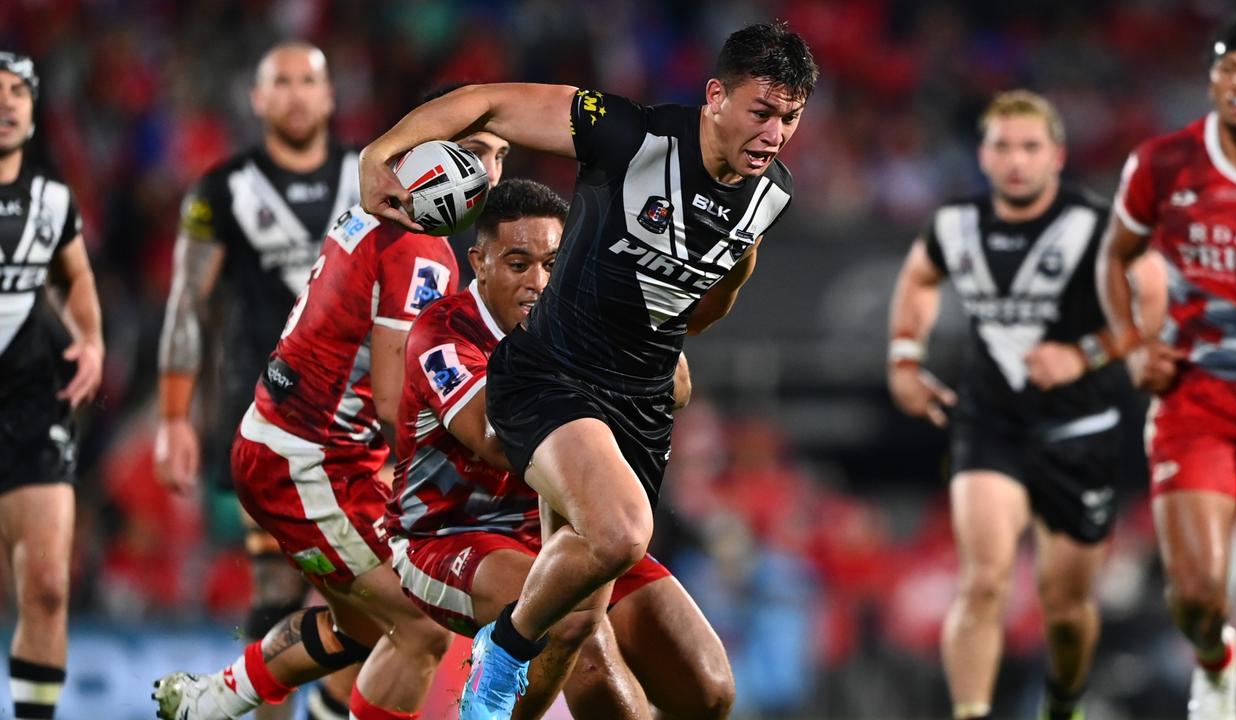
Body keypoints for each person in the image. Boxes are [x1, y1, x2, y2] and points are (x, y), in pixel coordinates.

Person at [359, 21, 817, 718]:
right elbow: (486, 101)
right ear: (716, 97)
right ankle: (500, 655)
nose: (774, 133)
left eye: (790, 117)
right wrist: (381, 153)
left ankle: (509, 683)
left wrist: (672, 335)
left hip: (637, 416)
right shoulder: (630, 136)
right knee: (621, 533)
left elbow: (722, 281)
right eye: (761, 112)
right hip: (551, 378)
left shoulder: (769, 196)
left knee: (703, 690)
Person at [387, 178, 731, 719]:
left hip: (570, 528)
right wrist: (595, 373)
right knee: (574, 626)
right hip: (452, 534)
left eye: (552, 263)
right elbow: (498, 441)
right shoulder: (444, 333)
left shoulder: (587, 309)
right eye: (518, 264)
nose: (538, 283)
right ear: (479, 262)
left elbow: (679, 384)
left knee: (707, 690)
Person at [151, 145, 473, 718]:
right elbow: (396, 403)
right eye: (479, 154)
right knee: (422, 627)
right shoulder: (422, 248)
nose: (491, 172)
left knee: (362, 628)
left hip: (291, 444)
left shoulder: (365, 210)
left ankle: (214, 699)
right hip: (312, 462)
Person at [886, 90, 1161, 720]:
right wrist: (904, 356)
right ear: (982, 155)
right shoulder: (956, 225)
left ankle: (1063, 700)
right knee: (983, 581)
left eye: (1030, 147)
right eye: (1003, 146)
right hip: (991, 425)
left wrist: (1086, 353)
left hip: (1080, 429)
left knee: (1065, 610)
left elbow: (1153, 304)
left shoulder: (1096, 227)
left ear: (1057, 156)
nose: (1016, 160)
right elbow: (919, 278)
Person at [152, 41, 362, 720]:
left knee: (367, 591)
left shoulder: (371, 177)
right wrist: (175, 418)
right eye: (283, 82)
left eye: (310, 81)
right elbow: (187, 305)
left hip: (360, 418)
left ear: (331, 97)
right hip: (264, 418)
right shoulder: (221, 190)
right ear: (258, 99)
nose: (298, 94)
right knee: (278, 581)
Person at [1099, 15, 1236, 720]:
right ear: (1212, 81)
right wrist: (1135, 345)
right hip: (1194, 395)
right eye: (1230, 70)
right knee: (1201, 592)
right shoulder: (1163, 163)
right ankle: (1214, 659)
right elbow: (1115, 258)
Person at [0, 49, 102, 720]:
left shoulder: (52, 200)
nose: (5, 102)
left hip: (32, 401)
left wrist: (91, 338)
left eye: (17, 92)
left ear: (34, 113)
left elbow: (78, 278)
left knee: (45, 587)